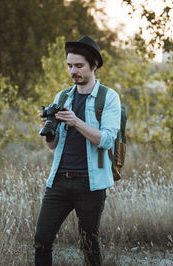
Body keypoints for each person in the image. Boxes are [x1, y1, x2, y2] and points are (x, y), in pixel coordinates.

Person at [34, 36, 121, 266]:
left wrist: (75, 121)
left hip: (90, 183)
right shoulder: (62, 97)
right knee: (41, 240)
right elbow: (53, 146)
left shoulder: (108, 97)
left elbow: (107, 140)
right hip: (59, 180)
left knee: (88, 245)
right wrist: (48, 127)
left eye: (79, 66)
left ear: (94, 65)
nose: (73, 71)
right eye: (70, 66)